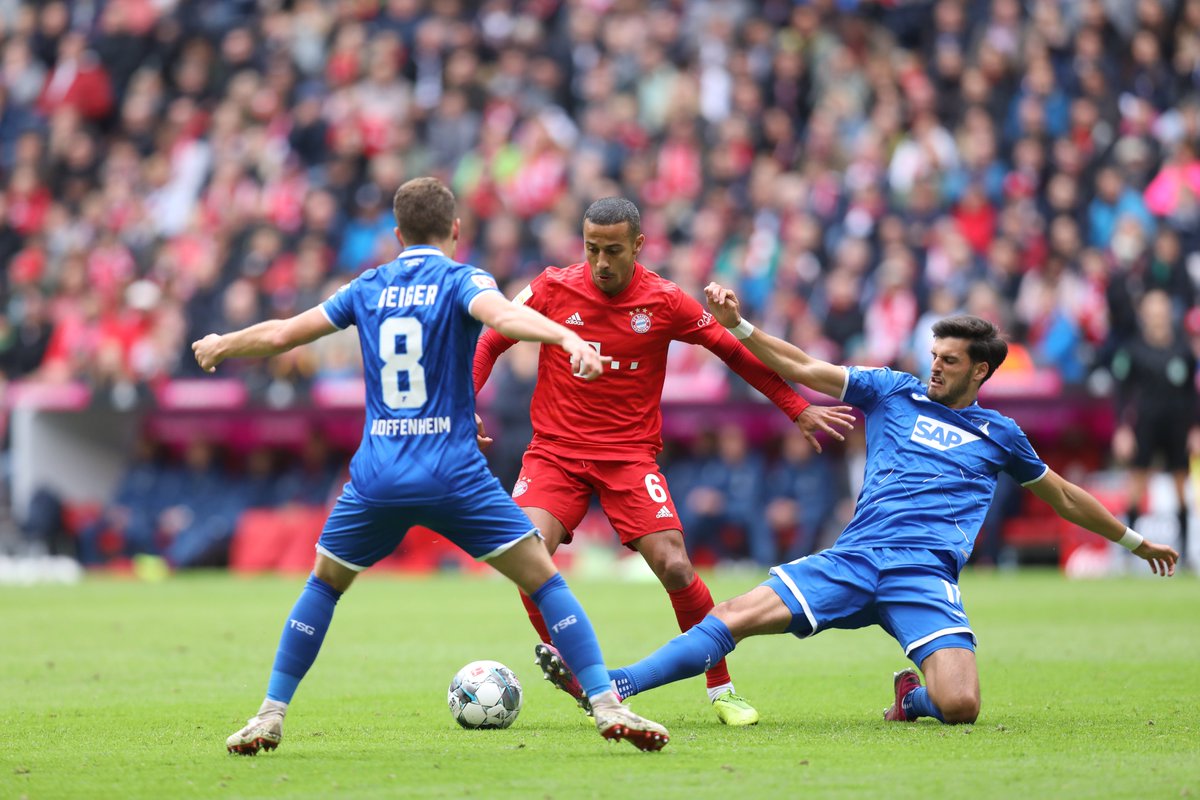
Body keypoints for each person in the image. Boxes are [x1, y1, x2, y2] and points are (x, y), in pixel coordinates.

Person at [537, 283, 1178, 727]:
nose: (934, 368)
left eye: (949, 362)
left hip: (924, 575)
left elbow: (1062, 494)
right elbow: (807, 367)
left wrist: (1133, 540)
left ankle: (912, 700)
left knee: (960, 708)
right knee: (734, 613)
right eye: (933, 355)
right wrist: (740, 327)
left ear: (980, 373)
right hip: (858, 557)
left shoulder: (1000, 435)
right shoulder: (893, 391)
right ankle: (616, 683)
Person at [193, 177, 669, 755]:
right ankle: (604, 701)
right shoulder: (462, 279)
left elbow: (283, 334)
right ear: (456, 230)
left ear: (396, 234)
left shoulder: (366, 286)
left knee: (324, 585)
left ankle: (270, 713)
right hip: (452, 472)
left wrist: (222, 343)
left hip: (378, 475)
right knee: (544, 579)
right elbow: (506, 320)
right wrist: (569, 340)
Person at [473, 197, 855, 726]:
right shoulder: (552, 287)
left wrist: (796, 408)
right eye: (591, 249)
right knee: (527, 553)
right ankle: (578, 673)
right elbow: (490, 339)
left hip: (629, 456)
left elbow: (734, 351)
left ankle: (720, 687)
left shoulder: (665, 300)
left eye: (612, 250)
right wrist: (462, 402)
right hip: (556, 453)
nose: (601, 262)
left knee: (674, 564)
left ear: (637, 246)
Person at [1111, 289, 1199, 569]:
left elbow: (1191, 394)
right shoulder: (1133, 350)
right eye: (1152, 311)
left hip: (1177, 426)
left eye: (1161, 310)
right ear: (1144, 315)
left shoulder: (1182, 350)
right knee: (1137, 484)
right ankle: (1127, 552)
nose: (1157, 317)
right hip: (1145, 426)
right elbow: (1122, 392)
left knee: (1180, 484)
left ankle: (1184, 551)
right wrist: (1122, 429)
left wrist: (1195, 429)